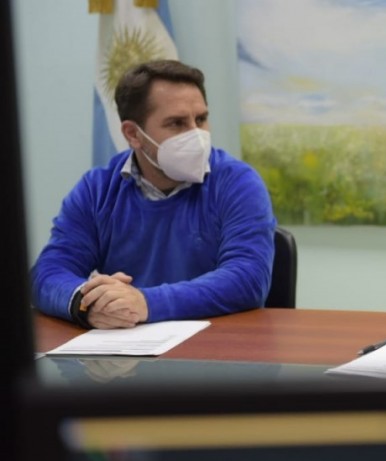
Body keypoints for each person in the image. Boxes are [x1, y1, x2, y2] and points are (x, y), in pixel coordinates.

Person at [31, 60, 276, 329]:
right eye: (177, 123)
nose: (197, 135)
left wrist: (145, 302)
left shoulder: (237, 182)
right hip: (125, 355)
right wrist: (86, 302)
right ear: (133, 134)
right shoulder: (97, 189)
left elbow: (247, 279)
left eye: (201, 119)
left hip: (219, 350)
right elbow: (47, 273)